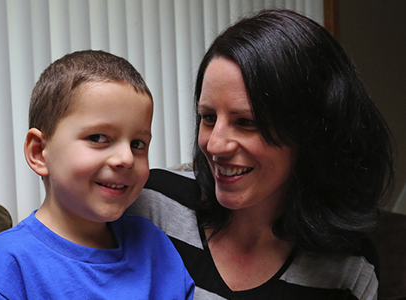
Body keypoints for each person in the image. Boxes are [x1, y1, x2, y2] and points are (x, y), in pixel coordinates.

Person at [128, 9, 394, 299]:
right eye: (208, 118)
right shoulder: (151, 207)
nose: (215, 145)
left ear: (311, 133)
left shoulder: (349, 268)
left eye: (246, 122)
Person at [0, 50, 194, 299]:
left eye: (138, 143)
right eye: (98, 138)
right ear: (39, 152)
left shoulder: (152, 244)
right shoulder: (2, 268)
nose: (126, 159)